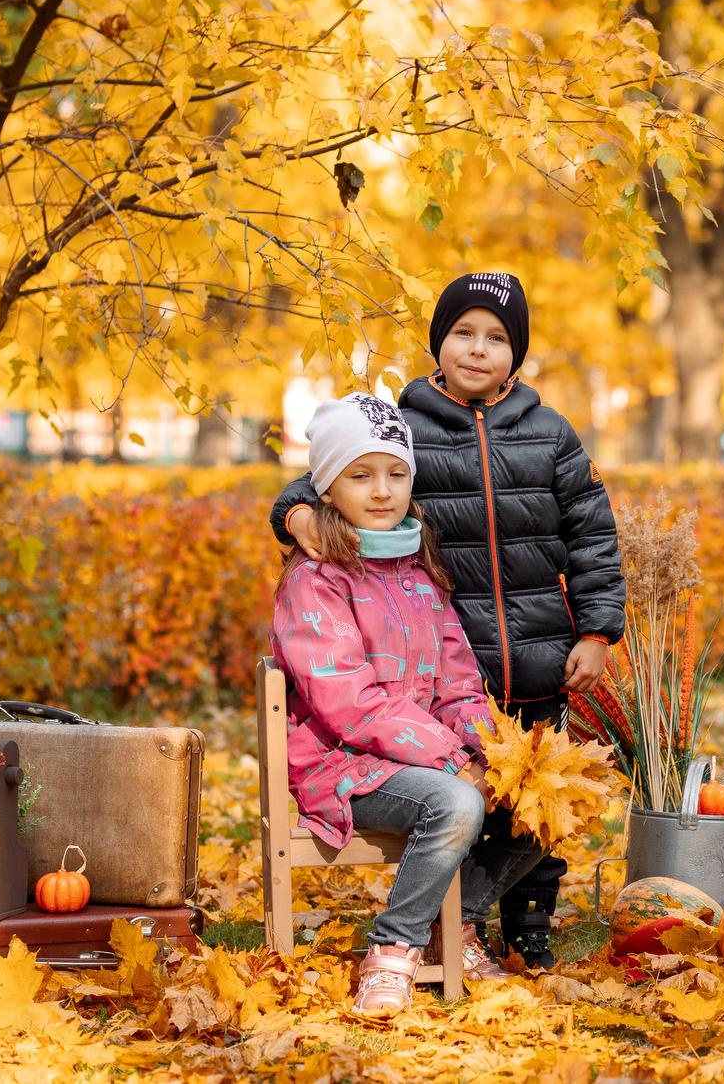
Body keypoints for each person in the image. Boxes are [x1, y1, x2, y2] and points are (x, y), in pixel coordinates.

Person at [272, 271, 626, 969]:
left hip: (534, 656)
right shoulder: (403, 422)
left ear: (516, 353)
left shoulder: (550, 431)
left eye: (496, 338)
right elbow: (341, 467)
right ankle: (443, 925)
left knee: (541, 800)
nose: (477, 348)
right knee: (469, 796)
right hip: (439, 653)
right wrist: (294, 510)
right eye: (462, 332)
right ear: (439, 342)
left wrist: (595, 629)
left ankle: (524, 922)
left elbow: (592, 533)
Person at [271, 392, 501, 1014]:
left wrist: (496, 750)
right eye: (361, 474)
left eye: (396, 474)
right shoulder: (315, 582)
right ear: (326, 489)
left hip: (419, 756)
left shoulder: (417, 573)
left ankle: (453, 925)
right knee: (456, 800)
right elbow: (350, 704)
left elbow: (456, 686)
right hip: (343, 765)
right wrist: (453, 759)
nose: (382, 490)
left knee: (527, 796)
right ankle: (393, 949)